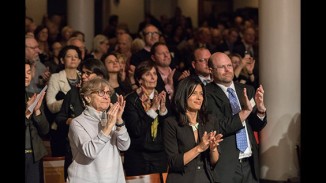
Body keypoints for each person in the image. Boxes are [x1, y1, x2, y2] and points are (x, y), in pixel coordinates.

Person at [206, 52, 267, 183]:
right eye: (222, 67)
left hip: (250, 163)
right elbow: (218, 127)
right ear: (211, 70)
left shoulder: (246, 89)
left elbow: (256, 126)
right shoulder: (206, 94)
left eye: (229, 65)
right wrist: (244, 112)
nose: (228, 70)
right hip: (226, 165)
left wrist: (261, 111)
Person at [55, 58, 108, 181]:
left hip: (101, 150)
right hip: (75, 150)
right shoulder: (73, 93)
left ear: (99, 75)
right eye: (82, 72)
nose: (83, 76)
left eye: (88, 73)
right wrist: (70, 121)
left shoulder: (108, 95)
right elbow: (60, 118)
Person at [67, 78, 130, 182]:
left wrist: (119, 121)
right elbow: (90, 152)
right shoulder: (77, 123)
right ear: (87, 97)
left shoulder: (111, 118)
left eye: (108, 93)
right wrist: (108, 127)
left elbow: (124, 146)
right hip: (86, 179)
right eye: (101, 92)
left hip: (113, 178)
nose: (106, 96)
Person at [163, 77, 223, 183]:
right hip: (181, 179)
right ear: (183, 95)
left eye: (201, 94)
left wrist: (213, 149)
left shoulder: (210, 120)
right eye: (194, 93)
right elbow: (173, 162)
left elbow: (214, 162)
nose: (199, 98)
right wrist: (199, 148)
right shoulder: (171, 123)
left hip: (206, 178)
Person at [122, 60, 169, 178]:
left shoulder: (161, 97)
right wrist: (152, 110)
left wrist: (162, 110)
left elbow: (167, 129)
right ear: (139, 80)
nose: (153, 77)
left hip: (159, 155)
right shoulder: (132, 100)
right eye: (148, 74)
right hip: (139, 156)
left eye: (154, 73)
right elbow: (136, 129)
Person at [25, 59, 49, 183]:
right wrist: (28, 112)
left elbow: (45, 130)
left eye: (28, 72)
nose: (26, 76)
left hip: (34, 155)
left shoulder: (32, 96)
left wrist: (37, 111)